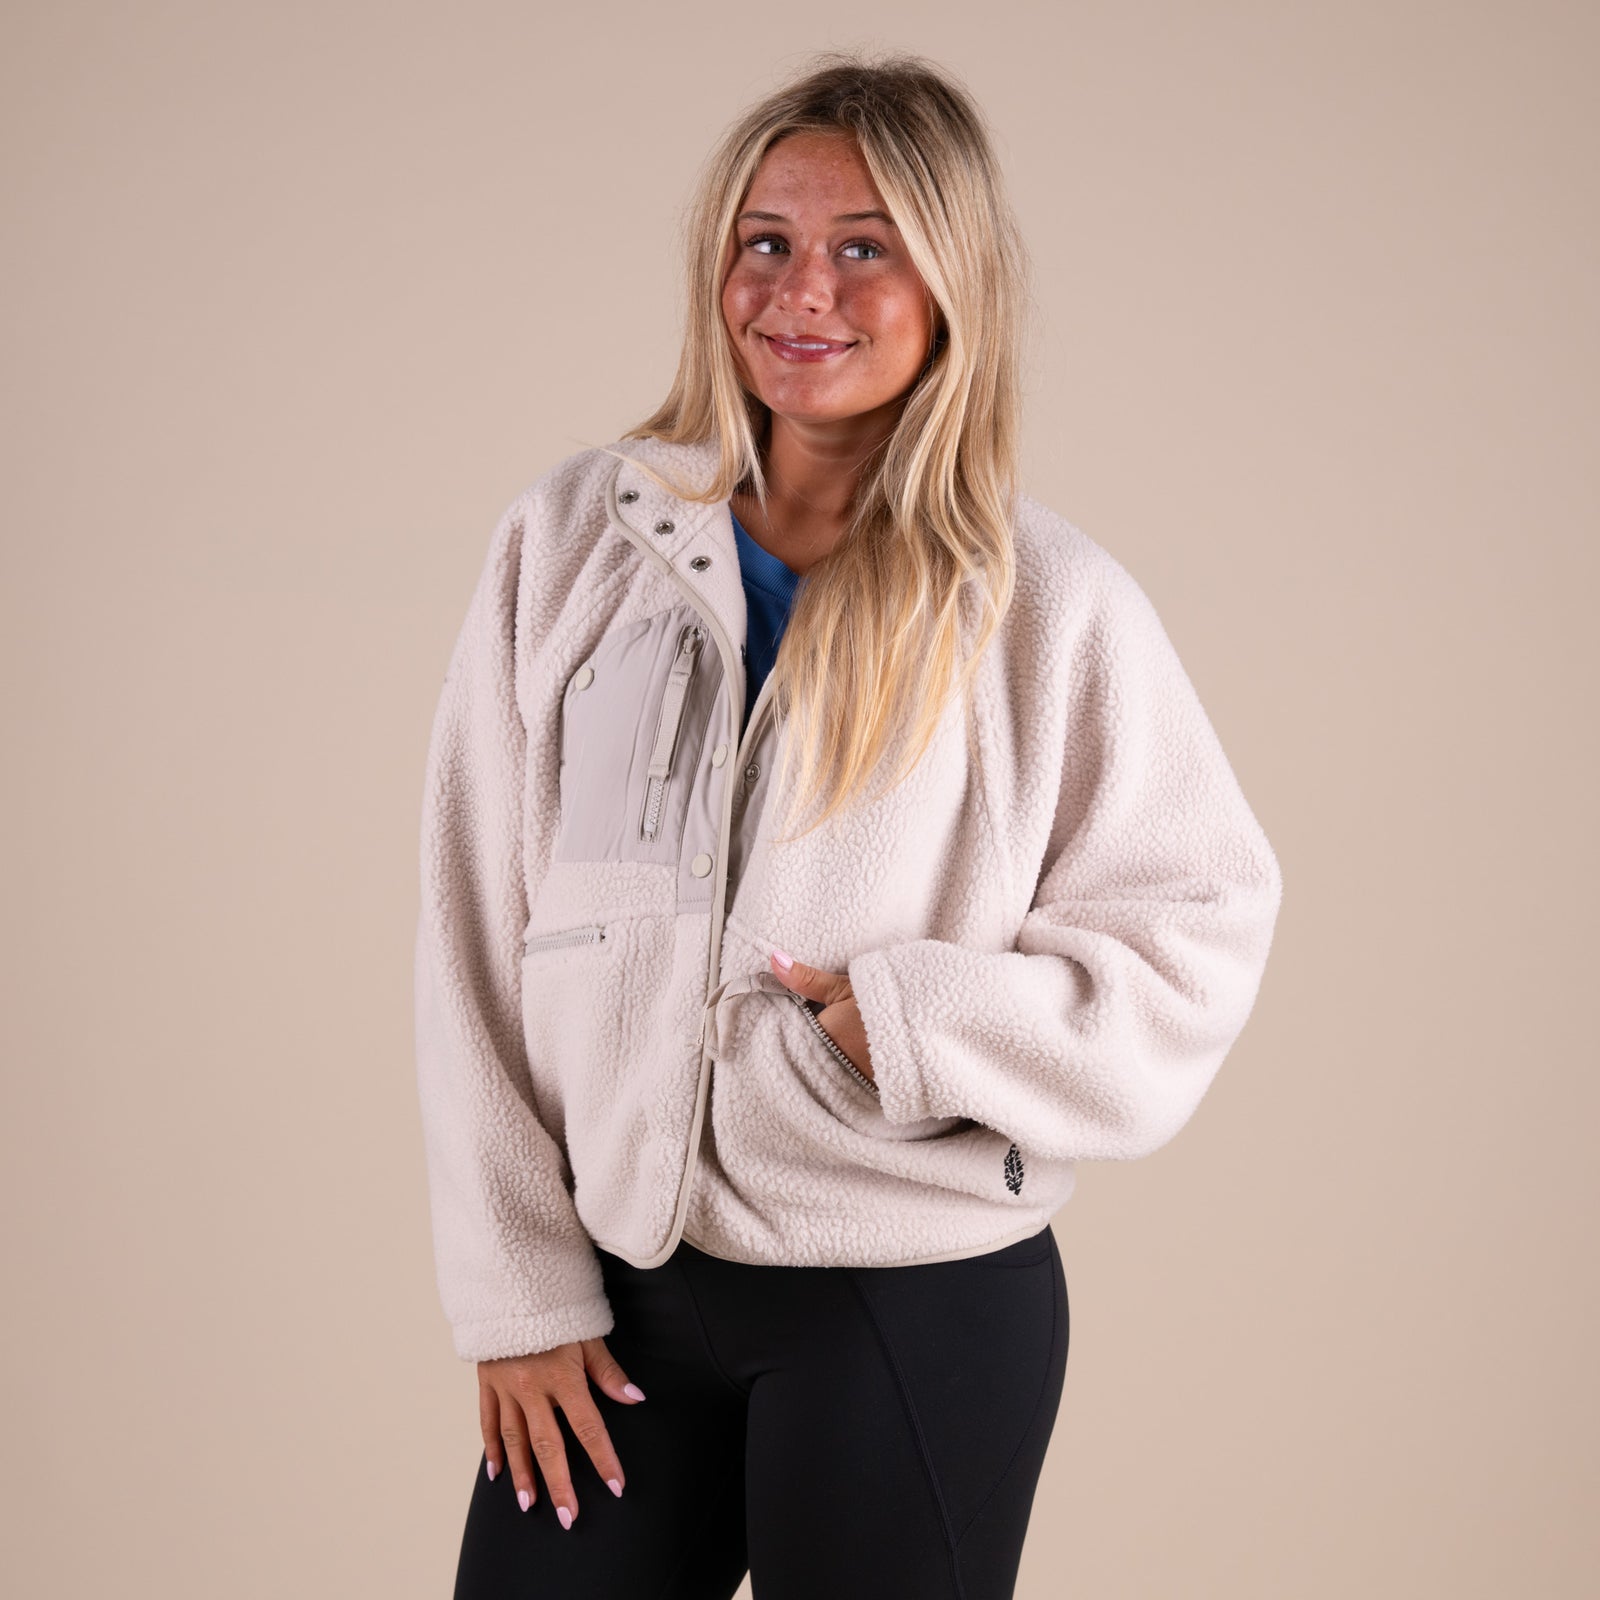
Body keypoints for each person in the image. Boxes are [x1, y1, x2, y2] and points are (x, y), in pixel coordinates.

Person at [414, 49, 1283, 1600]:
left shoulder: (1040, 602)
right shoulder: (572, 546)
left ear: (949, 286)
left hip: (908, 1300)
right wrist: (516, 1290)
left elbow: (1198, 930)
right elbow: (474, 928)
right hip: (613, 1295)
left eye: (863, 246)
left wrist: (909, 1024)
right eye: (766, 240)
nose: (802, 289)